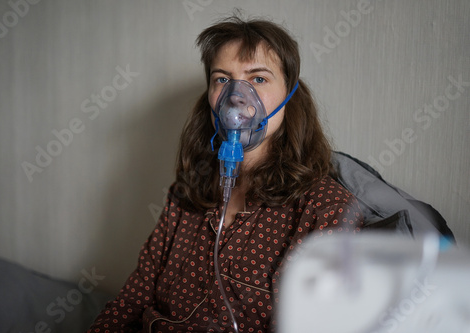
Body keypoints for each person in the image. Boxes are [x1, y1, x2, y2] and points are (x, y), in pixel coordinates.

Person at [87, 14, 363, 333]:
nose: (236, 95)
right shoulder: (188, 192)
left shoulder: (326, 212)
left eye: (258, 78)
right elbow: (131, 301)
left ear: (291, 94)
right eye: (222, 79)